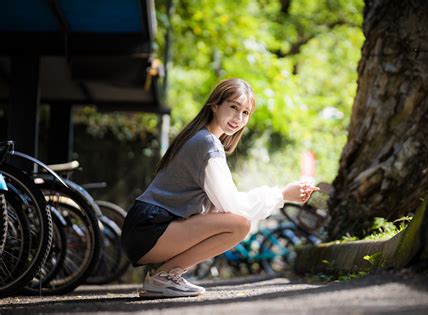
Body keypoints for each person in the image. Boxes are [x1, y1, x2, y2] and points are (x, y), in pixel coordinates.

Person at [121, 78, 319, 298]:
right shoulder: (207, 143)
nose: (238, 118)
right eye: (233, 107)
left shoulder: (200, 137)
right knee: (239, 225)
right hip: (149, 228)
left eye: (245, 113)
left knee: (230, 219)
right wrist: (281, 194)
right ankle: (164, 277)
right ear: (215, 105)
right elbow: (234, 206)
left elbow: (221, 204)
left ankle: (166, 276)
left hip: (144, 227)